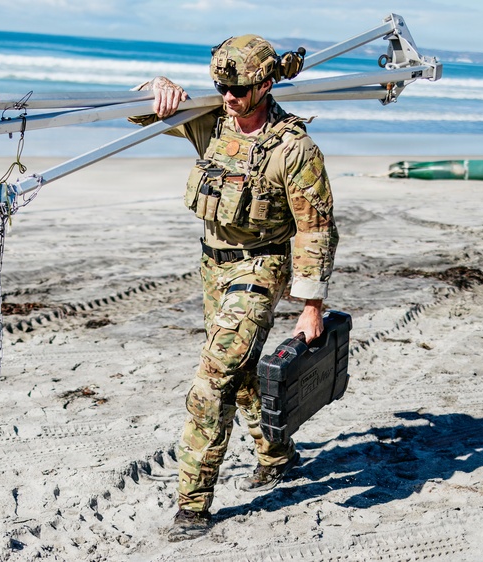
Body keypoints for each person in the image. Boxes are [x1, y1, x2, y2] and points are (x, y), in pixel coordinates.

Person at [130, 34, 338, 542]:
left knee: (211, 383)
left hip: (260, 270)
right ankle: (277, 454)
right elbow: (139, 115)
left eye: (239, 88)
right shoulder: (213, 120)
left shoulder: (294, 148)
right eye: (220, 85)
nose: (228, 96)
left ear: (265, 84)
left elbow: (316, 228)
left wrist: (311, 306)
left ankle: (192, 508)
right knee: (242, 374)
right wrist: (154, 88)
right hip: (211, 268)